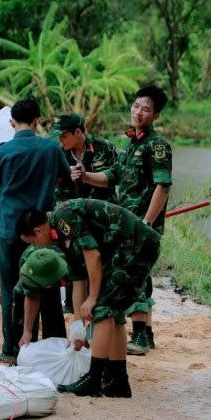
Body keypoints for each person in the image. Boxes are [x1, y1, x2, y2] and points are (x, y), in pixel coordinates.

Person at [0, 98, 72, 362]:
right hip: (43, 230)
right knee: (48, 282)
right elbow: (64, 177)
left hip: (11, 230)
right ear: (37, 120)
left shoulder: (2, 151)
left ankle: (13, 348)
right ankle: (55, 344)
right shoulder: (51, 148)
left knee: (12, 288)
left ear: (12, 123)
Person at [16, 199, 162, 397]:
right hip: (123, 250)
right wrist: (78, 326)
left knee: (102, 308)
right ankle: (117, 380)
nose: (36, 246)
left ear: (38, 230)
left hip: (137, 245)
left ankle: (93, 380)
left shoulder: (64, 217)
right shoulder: (58, 235)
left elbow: (93, 256)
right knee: (114, 313)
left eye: (33, 242)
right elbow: (78, 278)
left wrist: (92, 298)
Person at [71, 84, 172, 355]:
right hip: (124, 222)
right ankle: (145, 334)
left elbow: (163, 186)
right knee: (140, 275)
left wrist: (146, 223)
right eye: (136, 106)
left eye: (146, 109)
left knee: (131, 275)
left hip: (141, 224)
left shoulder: (157, 146)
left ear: (156, 116)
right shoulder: (130, 144)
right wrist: (85, 176)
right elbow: (112, 176)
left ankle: (139, 336)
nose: (138, 112)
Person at [53, 113, 118, 203]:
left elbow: (117, 177)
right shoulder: (58, 154)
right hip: (68, 208)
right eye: (59, 136)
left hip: (101, 207)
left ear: (77, 132)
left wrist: (86, 176)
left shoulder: (105, 148)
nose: (60, 140)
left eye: (63, 136)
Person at [13, 246, 68, 344]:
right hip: (43, 273)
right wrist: (27, 331)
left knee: (52, 304)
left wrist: (79, 327)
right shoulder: (27, 260)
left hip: (63, 272)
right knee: (19, 292)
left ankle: (55, 342)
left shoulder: (70, 262)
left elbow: (81, 288)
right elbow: (31, 295)